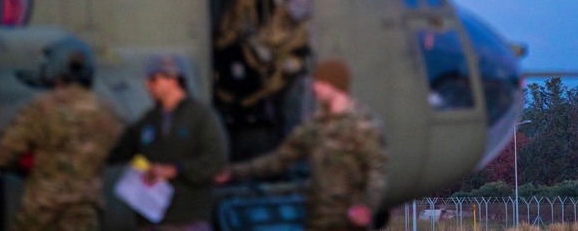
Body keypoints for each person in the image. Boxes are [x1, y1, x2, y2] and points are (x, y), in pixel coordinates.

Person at [216, 59, 389, 231]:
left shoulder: (364, 125)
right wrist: (233, 172)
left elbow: (376, 171)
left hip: (349, 223)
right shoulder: (314, 126)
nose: (314, 87)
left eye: (321, 82)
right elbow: (279, 160)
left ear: (335, 85)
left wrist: (367, 208)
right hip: (318, 221)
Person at [0, 36, 123, 231]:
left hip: (41, 212)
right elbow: (121, 152)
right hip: (84, 214)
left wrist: (28, 167)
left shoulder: (40, 107)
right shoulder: (107, 111)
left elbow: (3, 155)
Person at [107, 54, 229, 231]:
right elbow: (117, 152)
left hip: (187, 220)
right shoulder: (147, 121)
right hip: (149, 220)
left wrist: (176, 169)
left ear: (172, 79)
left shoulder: (201, 116)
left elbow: (216, 158)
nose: (148, 85)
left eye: (154, 79)